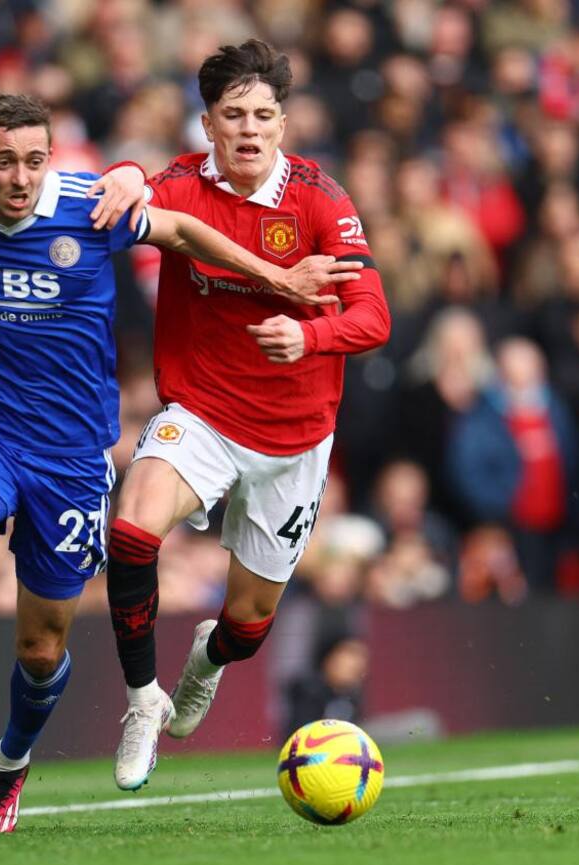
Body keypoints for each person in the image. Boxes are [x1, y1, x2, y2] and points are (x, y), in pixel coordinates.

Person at [0, 93, 359, 834]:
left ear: (50, 160)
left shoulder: (90, 209)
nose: (20, 178)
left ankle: (8, 766)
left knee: (41, 645)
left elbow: (180, 229)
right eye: (3, 162)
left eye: (33, 161)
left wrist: (277, 280)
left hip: (72, 457)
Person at [87, 40, 392, 791]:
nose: (248, 129)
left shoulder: (320, 200)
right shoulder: (182, 187)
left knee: (248, 626)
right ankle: (141, 700)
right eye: (233, 115)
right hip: (203, 414)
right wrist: (124, 171)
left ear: (283, 123)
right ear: (208, 124)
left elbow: (374, 316)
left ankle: (208, 658)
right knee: (131, 532)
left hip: (294, 438)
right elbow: (134, 185)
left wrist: (310, 336)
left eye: (262, 115)